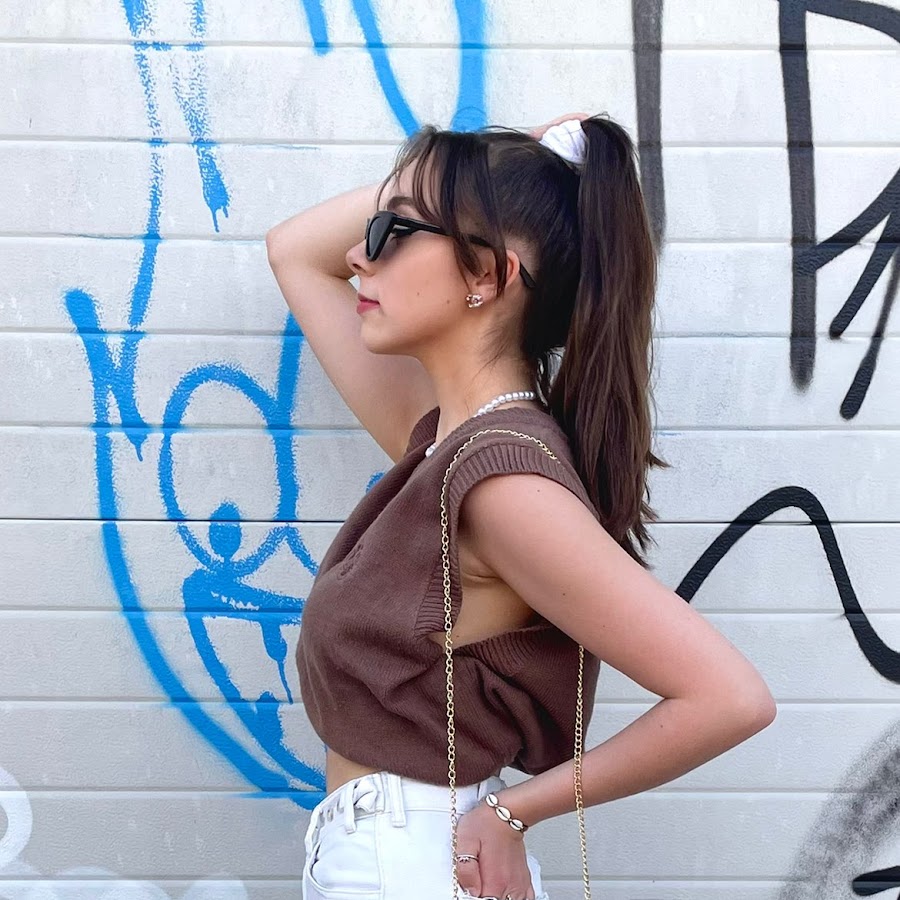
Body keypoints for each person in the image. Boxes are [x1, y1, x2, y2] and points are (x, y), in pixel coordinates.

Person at [266, 112, 777, 900]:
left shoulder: (501, 483)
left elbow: (729, 698)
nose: (359, 255)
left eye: (394, 232)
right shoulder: (440, 439)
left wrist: (515, 812)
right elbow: (294, 251)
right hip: (389, 857)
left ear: (487, 275)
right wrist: (507, 172)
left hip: (413, 864)